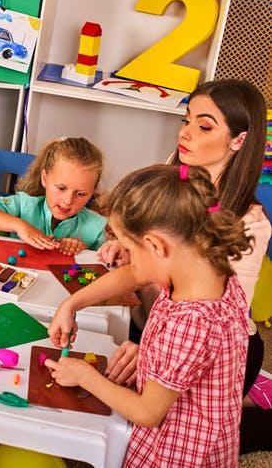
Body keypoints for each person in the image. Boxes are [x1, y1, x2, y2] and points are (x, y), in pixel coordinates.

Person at [47, 164, 251, 468]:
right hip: (202, 432)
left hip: (176, 453)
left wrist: (84, 376)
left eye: (130, 248)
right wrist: (72, 304)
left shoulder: (190, 321)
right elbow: (136, 275)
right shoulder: (207, 268)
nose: (129, 260)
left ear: (156, 245)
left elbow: (147, 412)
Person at [94, 81, 269, 408]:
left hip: (214, 353)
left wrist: (149, 353)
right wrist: (128, 245)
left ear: (239, 140)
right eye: (185, 120)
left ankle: (254, 404)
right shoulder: (175, 174)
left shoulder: (252, 224)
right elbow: (151, 243)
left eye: (203, 126)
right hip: (152, 326)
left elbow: (215, 318)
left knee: (166, 430)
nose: (186, 133)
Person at [0, 136, 106, 256]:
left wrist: (84, 251)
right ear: (45, 178)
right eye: (61, 188)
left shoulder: (99, 227)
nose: (68, 201)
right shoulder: (24, 205)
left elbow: (111, 270)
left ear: (92, 192)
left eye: (80, 194)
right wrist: (19, 226)